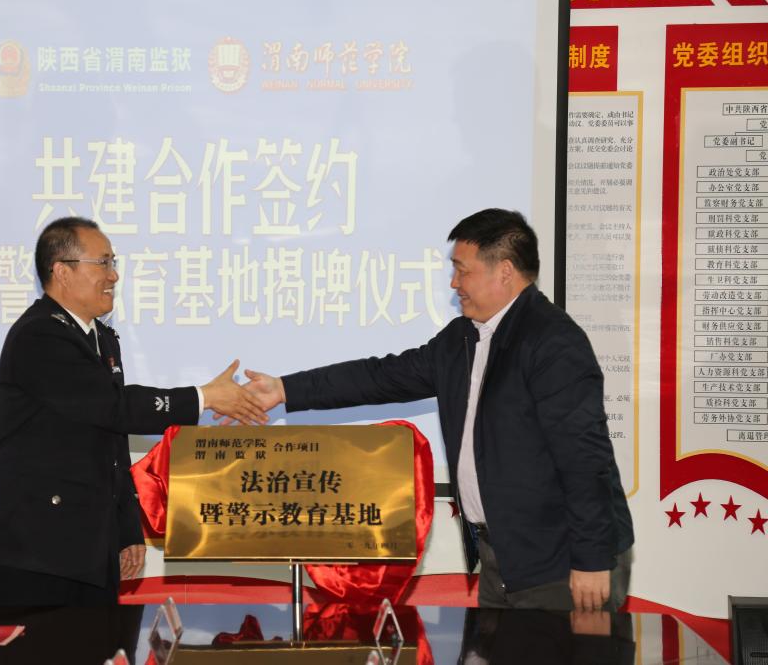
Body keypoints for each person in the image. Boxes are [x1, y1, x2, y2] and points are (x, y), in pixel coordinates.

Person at [242, 208, 634, 611]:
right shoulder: (462, 338)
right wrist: (286, 389)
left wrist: (591, 559)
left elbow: (585, 460)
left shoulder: (553, 343)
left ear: (504, 271)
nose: (454, 283)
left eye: (463, 271)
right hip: (502, 557)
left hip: (561, 561)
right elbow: (382, 376)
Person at [0, 217, 267, 606]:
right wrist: (204, 397)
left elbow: (112, 440)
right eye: (103, 263)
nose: (113, 275)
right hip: (36, 553)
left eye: (113, 263)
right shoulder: (40, 334)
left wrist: (127, 528)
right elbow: (114, 407)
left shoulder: (100, 338)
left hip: (87, 550)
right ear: (62, 271)